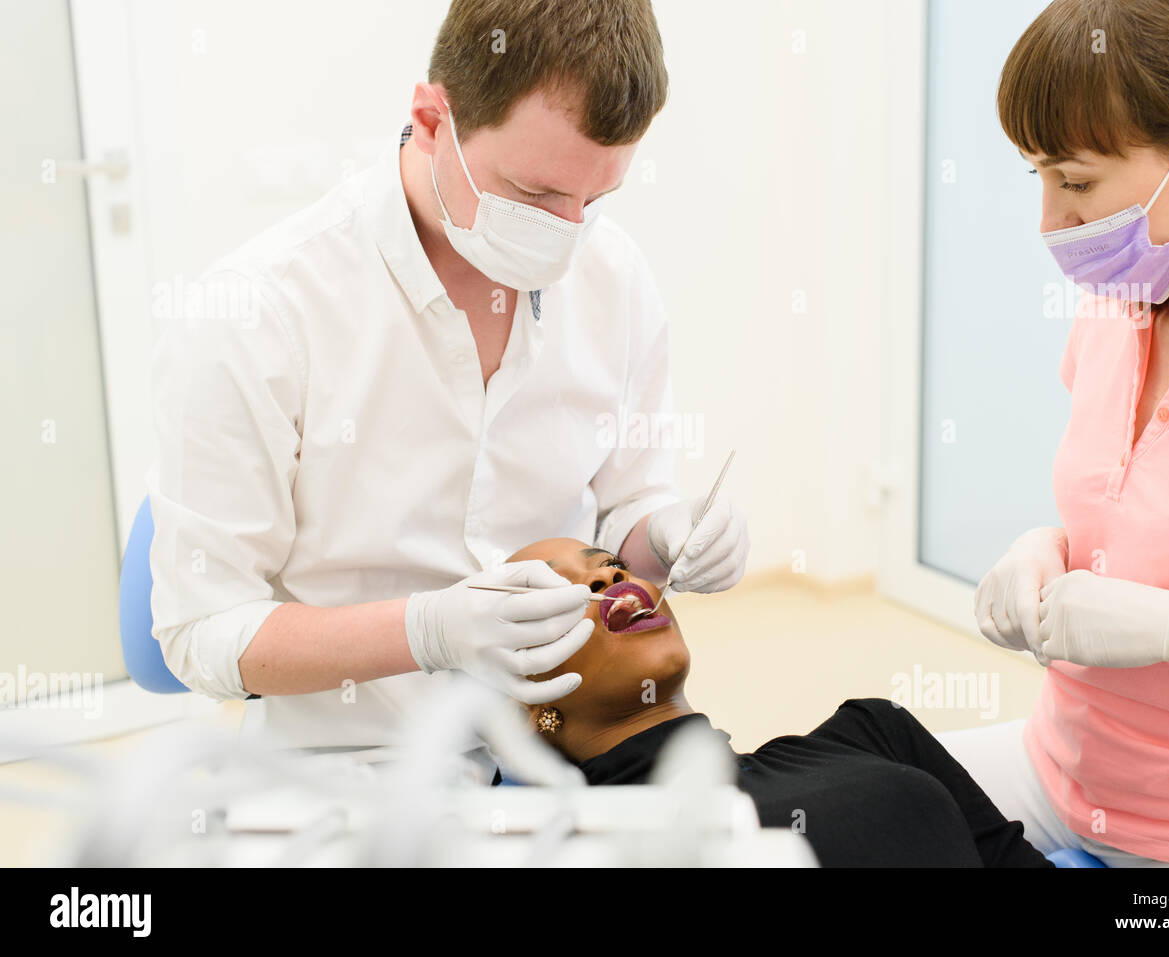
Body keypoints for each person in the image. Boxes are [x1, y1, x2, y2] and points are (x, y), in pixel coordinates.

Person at [146, 0, 748, 765]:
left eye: (594, 201)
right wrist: (426, 630)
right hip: (361, 767)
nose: (567, 235)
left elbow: (622, 518)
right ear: (432, 118)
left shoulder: (616, 281)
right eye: (535, 195)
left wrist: (665, 534)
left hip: (577, 748)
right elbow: (203, 633)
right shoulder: (258, 317)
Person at [945, 0, 1169, 867]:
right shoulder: (1118, 311)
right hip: (1057, 775)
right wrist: (1051, 549)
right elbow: (1142, 517)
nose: (1047, 220)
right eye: (1037, 176)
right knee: (837, 799)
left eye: (1074, 181)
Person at [492, 537, 1053, 868]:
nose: (609, 576)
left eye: (609, 560)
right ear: (530, 710)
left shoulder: (873, 730)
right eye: (552, 597)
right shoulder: (606, 849)